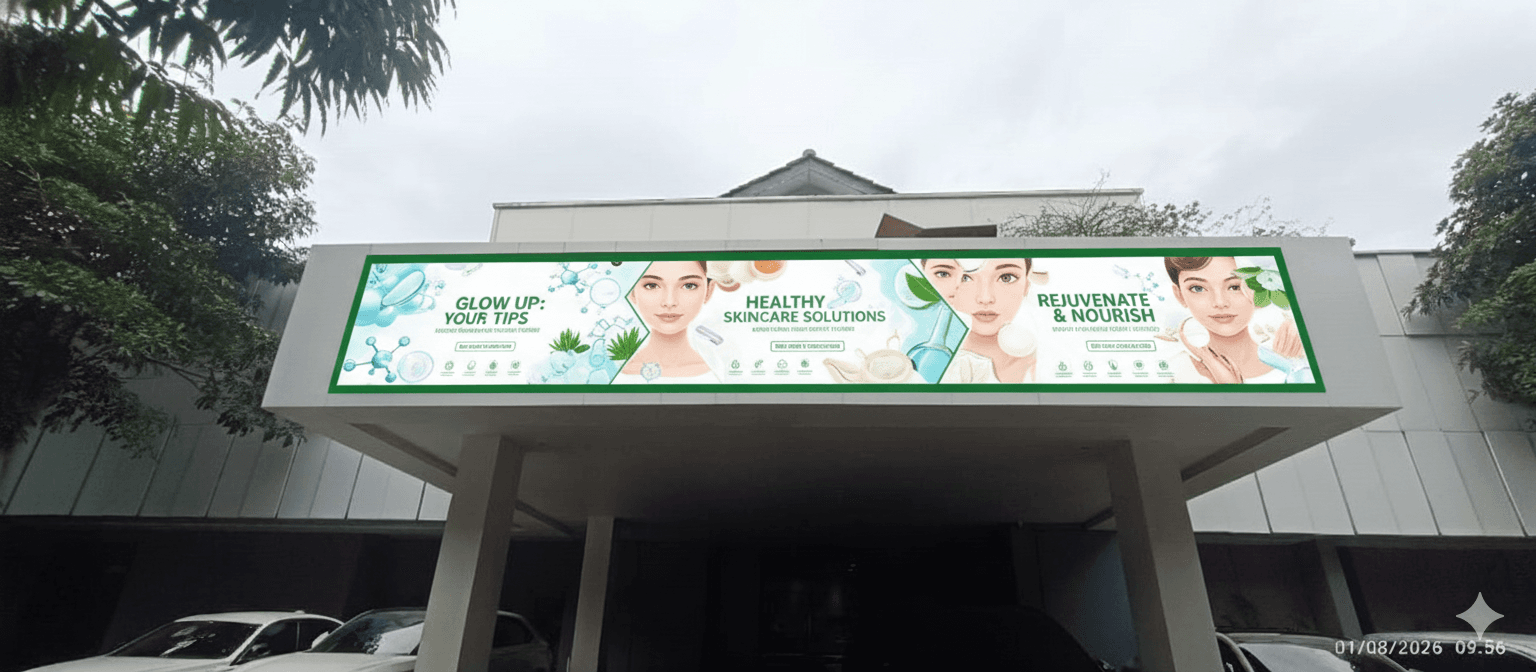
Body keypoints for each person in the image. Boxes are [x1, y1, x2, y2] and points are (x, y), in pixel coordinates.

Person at [1164, 256, 1304, 384]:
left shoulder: (1296, 362)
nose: (1220, 302)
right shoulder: (1173, 370)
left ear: (1259, 290)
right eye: (1198, 288)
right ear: (1179, 295)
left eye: (1234, 287)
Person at [921, 258, 1038, 383]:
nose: (985, 298)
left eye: (1006, 278)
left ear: (1027, 285)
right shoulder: (922, 363)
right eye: (965, 278)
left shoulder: (1044, 362)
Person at [614, 260, 719, 383]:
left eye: (689, 285)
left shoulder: (719, 373)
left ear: (709, 291)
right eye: (651, 285)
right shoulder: (614, 374)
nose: (669, 302)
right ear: (631, 291)